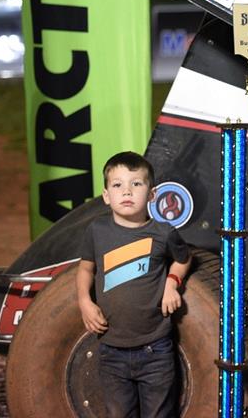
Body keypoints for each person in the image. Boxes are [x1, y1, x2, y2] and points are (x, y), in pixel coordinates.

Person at [77, 151, 191, 418]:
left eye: (136, 184)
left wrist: (172, 284)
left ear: (151, 195)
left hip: (156, 349)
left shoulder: (163, 232)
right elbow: (85, 268)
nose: (126, 192)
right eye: (117, 185)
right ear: (106, 195)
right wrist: (84, 300)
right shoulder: (97, 231)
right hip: (111, 349)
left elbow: (184, 260)